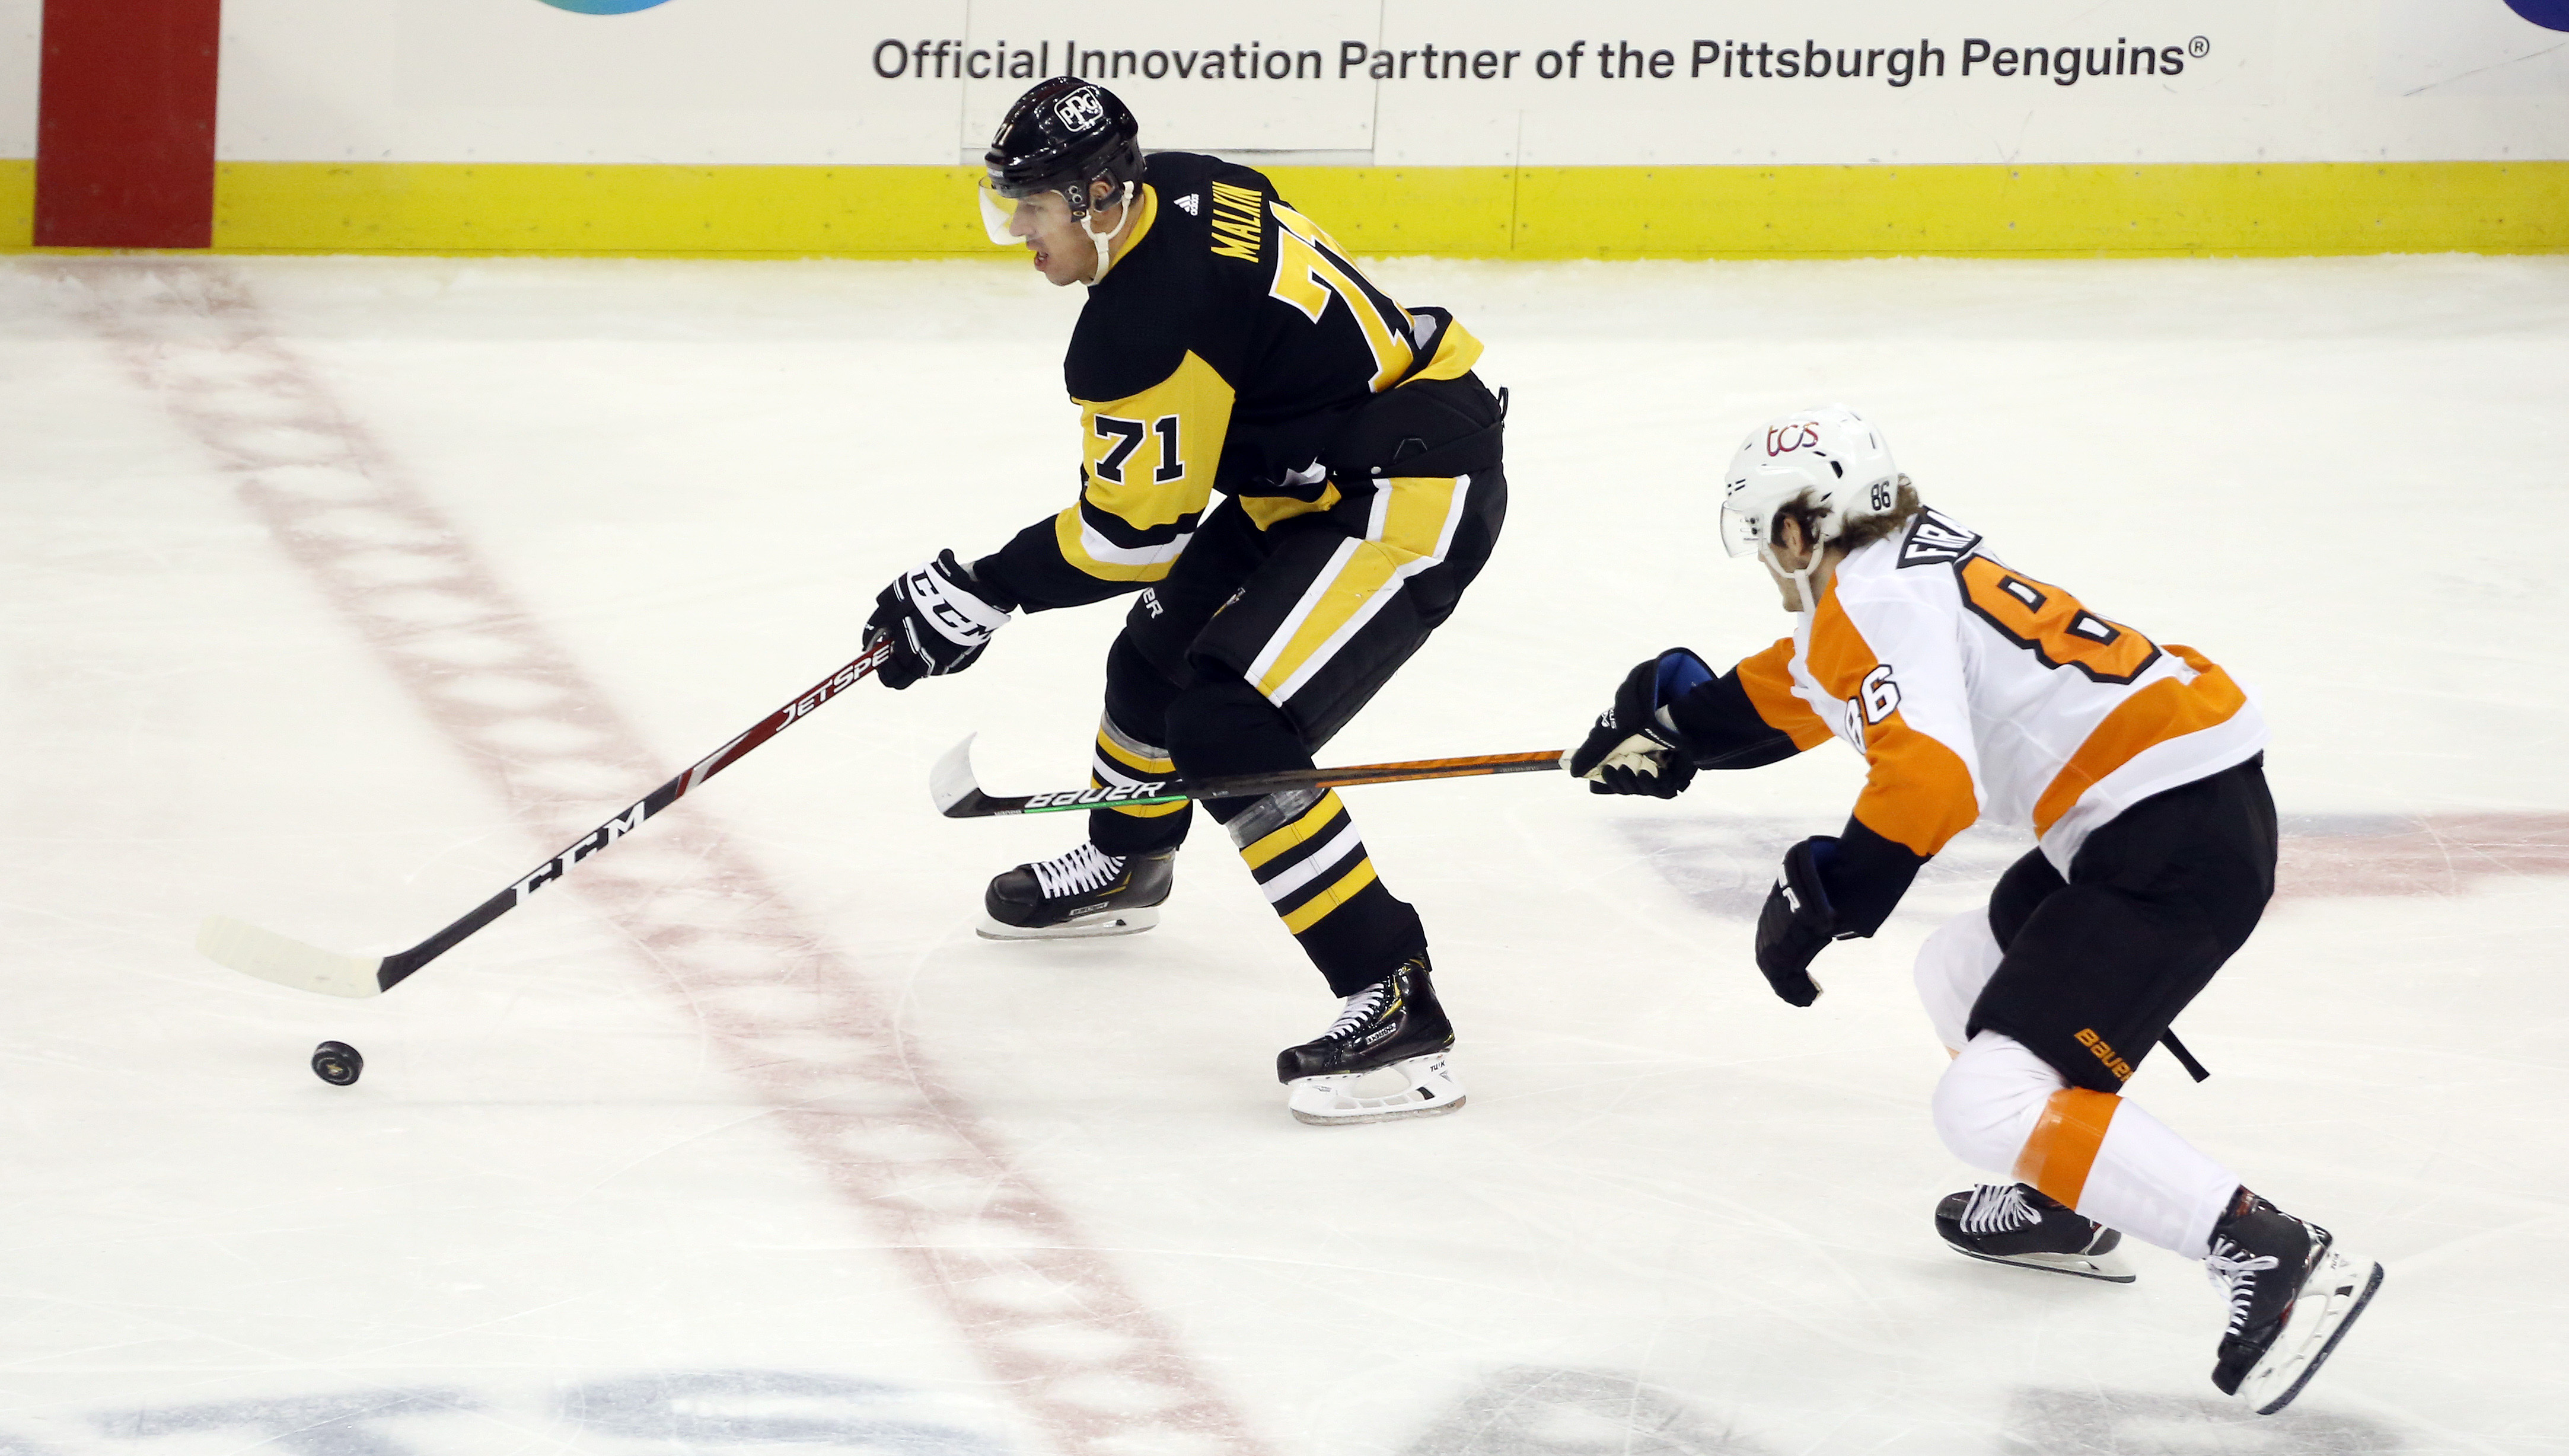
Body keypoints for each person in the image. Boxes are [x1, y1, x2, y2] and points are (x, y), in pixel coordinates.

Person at [1565, 404, 2381, 1413]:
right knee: (1957, 967)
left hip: (2168, 843)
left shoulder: (1872, 600)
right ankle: (2062, 1203)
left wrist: (1825, 897)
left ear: (1796, 529)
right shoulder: (1903, 564)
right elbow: (1814, 683)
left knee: (1983, 1106)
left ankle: (2270, 1251)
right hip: (2162, 806)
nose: (1768, 561)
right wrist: (1677, 727)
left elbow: (1934, 780)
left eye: (1766, 537)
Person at [863, 77, 1506, 1126]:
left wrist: (981, 592)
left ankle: (1395, 1003)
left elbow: (1128, 538)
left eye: (1034, 208)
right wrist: (985, 594)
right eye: (1010, 204)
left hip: (1411, 484)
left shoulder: (1140, 327)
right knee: (1152, 665)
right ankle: (1127, 859)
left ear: (1105, 197)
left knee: (1227, 725)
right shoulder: (1191, 187)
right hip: (1310, 469)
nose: (1018, 231)